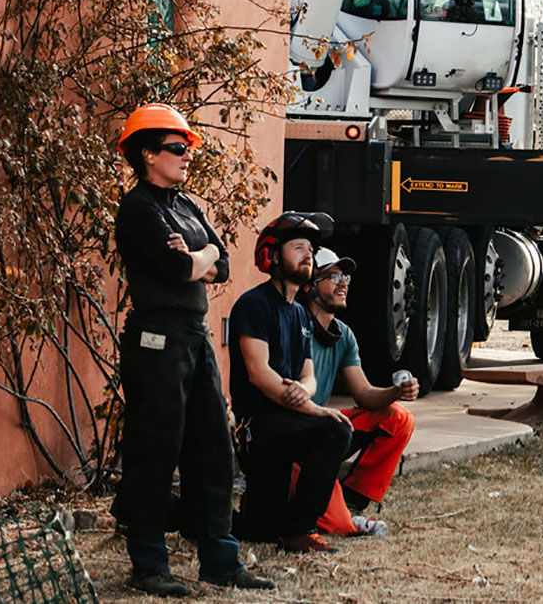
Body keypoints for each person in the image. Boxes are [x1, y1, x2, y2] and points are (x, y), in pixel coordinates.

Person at [113, 103, 274, 596]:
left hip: (195, 335)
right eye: (177, 149)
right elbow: (180, 271)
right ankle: (148, 565)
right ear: (146, 154)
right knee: (155, 450)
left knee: (214, 447)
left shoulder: (184, 206)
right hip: (156, 339)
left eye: (187, 149)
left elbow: (221, 263)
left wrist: (197, 254)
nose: (187, 156)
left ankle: (221, 561)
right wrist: (194, 260)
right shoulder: (138, 208)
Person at [229, 212, 353, 553]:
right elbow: (259, 373)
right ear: (271, 255)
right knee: (334, 429)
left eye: (310, 248)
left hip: (287, 421)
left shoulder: (300, 314)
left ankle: (294, 527)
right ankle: (298, 531)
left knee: (260, 529)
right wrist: (313, 408)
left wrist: (307, 392)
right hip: (258, 425)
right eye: (298, 247)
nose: (308, 254)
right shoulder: (253, 305)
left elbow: (308, 375)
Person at [301, 248, 419, 537]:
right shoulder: (295, 324)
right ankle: (335, 509)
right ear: (310, 284)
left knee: (398, 419)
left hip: (326, 428)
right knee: (340, 528)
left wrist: (395, 392)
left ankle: (352, 498)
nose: (343, 284)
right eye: (333, 276)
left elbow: (363, 394)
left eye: (346, 277)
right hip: (296, 434)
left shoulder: (343, 334)